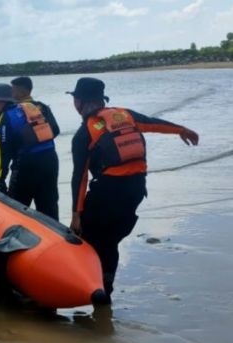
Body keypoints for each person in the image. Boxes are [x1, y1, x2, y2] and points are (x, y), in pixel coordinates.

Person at [68, 77, 199, 303]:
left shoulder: (84, 134)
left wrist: (76, 214)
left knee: (87, 237)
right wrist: (181, 129)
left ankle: (91, 287)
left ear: (79, 103)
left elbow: (79, 177)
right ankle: (106, 286)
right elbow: (153, 123)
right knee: (110, 241)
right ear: (101, 99)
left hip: (109, 193)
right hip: (136, 190)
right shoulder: (124, 115)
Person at [0, 78, 60, 220]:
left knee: (17, 211)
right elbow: (55, 130)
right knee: (49, 208)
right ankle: (57, 238)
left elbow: (1, 152)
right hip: (50, 162)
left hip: (25, 167)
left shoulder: (6, 116)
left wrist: (0, 179)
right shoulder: (42, 107)